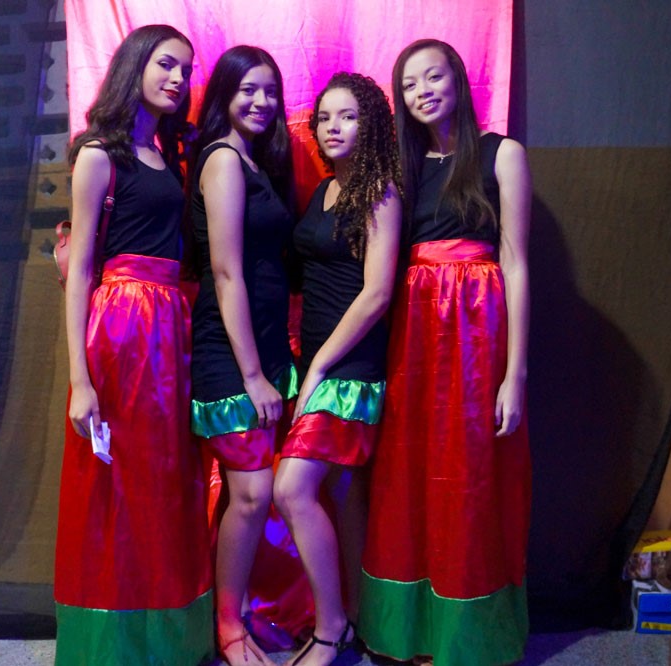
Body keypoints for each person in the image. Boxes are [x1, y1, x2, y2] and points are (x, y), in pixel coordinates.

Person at [359, 39, 533, 666]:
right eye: (409, 85)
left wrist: (514, 374)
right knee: (408, 477)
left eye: (433, 77)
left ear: (458, 78)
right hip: (414, 335)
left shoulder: (500, 153)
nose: (423, 92)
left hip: (478, 333)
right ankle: (410, 634)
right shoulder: (400, 167)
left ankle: (467, 638)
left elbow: (516, 264)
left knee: (471, 480)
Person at [54, 25, 213, 666]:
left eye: (186, 69)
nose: (178, 78)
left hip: (168, 325)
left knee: (164, 479)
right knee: (115, 485)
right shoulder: (100, 154)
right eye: (166, 64)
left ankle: (164, 639)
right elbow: (80, 271)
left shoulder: (166, 154)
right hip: (121, 327)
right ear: (134, 66)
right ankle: (114, 648)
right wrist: (81, 379)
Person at [273, 72, 401, 666]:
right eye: (324, 117)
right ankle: (354, 615)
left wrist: (320, 366)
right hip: (316, 359)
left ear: (370, 124)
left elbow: (377, 294)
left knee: (292, 488)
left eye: (347, 116)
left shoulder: (381, 193)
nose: (332, 127)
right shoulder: (324, 189)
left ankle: (330, 630)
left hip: (348, 367)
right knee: (343, 495)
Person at [187, 45, 295, 666]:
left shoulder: (256, 161)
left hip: (265, 349)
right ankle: (228, 625)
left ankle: (237, 612)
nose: (261, 101)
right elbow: (226, 272)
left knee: (250, 496)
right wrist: (253, 375)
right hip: (231, 356)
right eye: (248, 89)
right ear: (225, 93)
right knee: (252, 495)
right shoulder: (224, 159)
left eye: (270, 90)